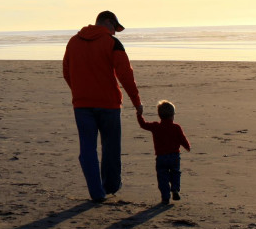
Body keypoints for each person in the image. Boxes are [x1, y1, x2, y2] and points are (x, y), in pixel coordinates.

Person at [63, 10, 143, 202]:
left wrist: (79, 91)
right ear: (107, 22)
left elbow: (67, 71)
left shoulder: (74, 42)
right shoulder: (112, 43)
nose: (115, 32)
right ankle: (110, 186)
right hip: (109, 104)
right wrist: (137, 102)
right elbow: (125, 75)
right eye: (114, 28)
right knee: (111, 147)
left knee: (88, 149)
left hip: (82, 104)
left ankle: (97, 192)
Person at [137, 100, 191, 205]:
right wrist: (187, 146)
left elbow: (143, 125)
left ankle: (165, 197)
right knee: (175, 172)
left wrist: (139, 115)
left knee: (162, 177)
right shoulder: (176, 127)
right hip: (174, 156)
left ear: (159, 115)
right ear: (172, 115)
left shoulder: (156, 126)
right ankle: (175, 189)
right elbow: (182, 139)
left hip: (161, 157)